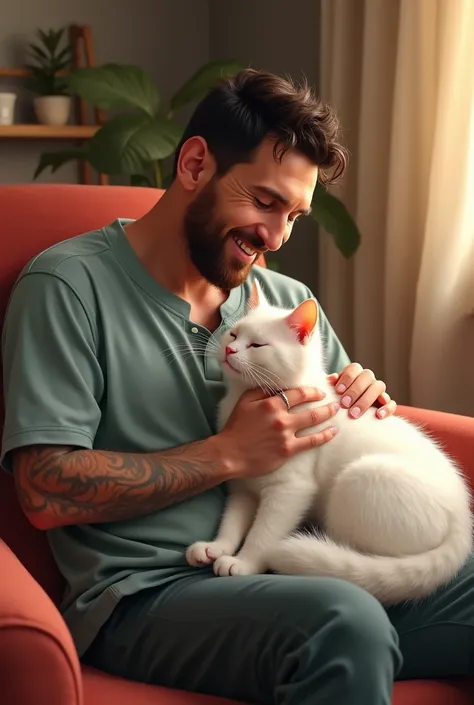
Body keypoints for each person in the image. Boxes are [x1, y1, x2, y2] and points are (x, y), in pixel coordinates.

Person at [1, 69, 473, 705]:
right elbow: (43, 491)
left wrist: (363, 397)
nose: (276, 237)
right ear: (195, 163)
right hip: (149, 595)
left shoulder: (284, 301)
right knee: (343, 621)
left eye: (295, 216)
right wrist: (227, 454)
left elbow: (329, 442)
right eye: (265, 202)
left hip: (295, 568)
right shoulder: (68, 287)